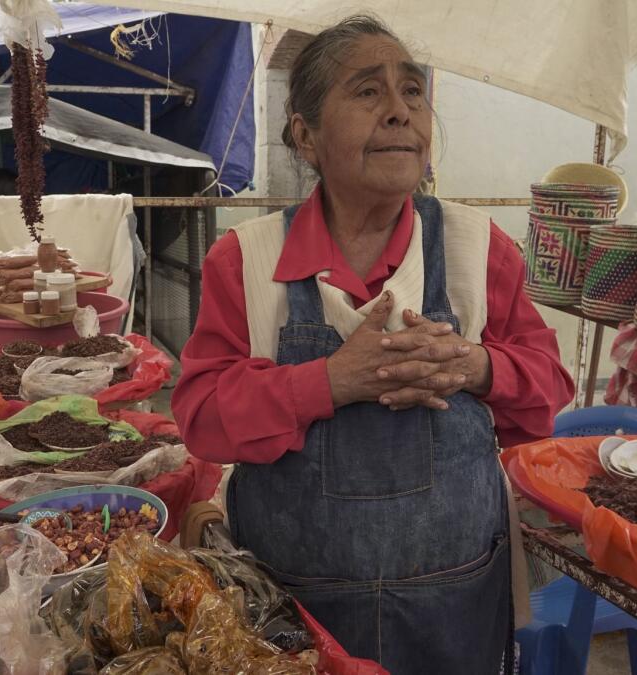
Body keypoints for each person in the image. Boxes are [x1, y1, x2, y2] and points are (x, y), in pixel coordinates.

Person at [171, 16, 574, 674]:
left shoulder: (478, 251)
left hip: (456, 608)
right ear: (304, 134)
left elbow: (547, 390)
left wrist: (476, 366)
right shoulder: (245, 260)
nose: (400, 112)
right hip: (293, 614)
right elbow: (202, 418)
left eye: (412, 91)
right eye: (367, 92)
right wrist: (331, 380)